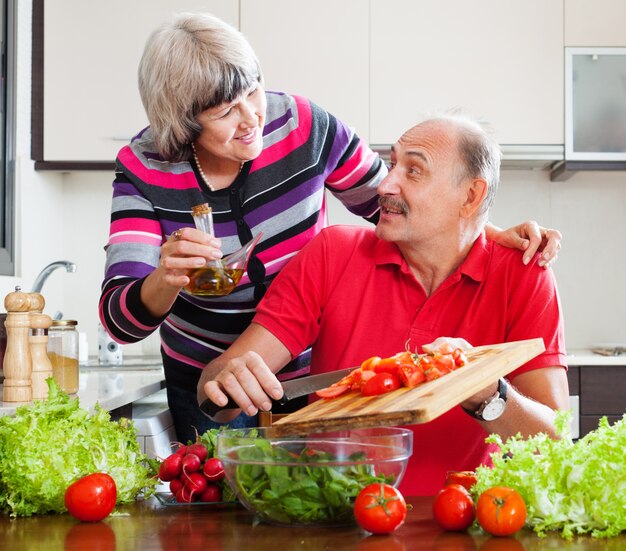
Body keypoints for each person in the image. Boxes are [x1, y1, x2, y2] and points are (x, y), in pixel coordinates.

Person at [99, 12, 562, 445]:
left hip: (302, 365)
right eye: (224, 112)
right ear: (182, 124)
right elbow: (121, 321)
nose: (251, 119)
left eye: (254, 91)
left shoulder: (305, 126)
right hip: (213, 372)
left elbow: (397, 200)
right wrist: (166, 279)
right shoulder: (144, 168)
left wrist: (486, 230)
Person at [198, 113, 570, 496]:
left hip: (459, 519)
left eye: (413, 171)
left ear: (470, 196)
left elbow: (553, 440)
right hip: (333, 514)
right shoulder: (332, 254)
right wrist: (225, 381)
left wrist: (488, 392)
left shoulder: (525, 273)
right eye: (392, 164)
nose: (386, 183)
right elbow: (216, 391)